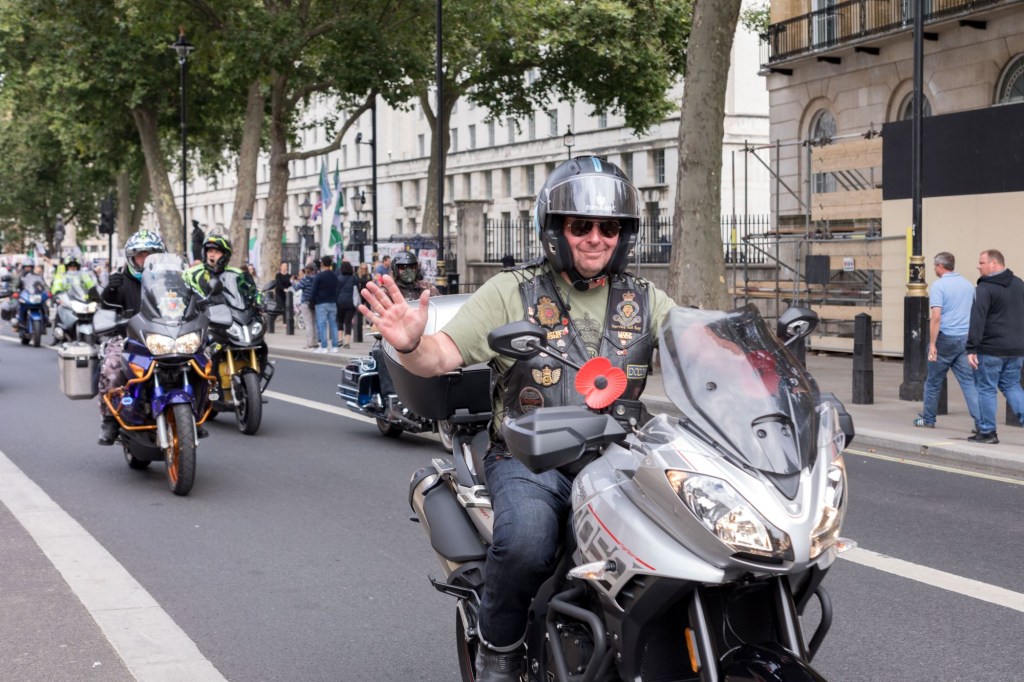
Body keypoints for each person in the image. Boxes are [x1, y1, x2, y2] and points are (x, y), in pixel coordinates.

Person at [359, 156, 676, 681]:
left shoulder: (646, 299)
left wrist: (757, 366)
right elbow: (441, 355)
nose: (596, 238)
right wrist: (411, 343)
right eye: (581, 226)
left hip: (620, 459)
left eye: (609, 227)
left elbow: (702, 347)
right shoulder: (511, 291)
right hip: (531, 458)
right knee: (527, 539)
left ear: (624, 236)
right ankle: (498, 652)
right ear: (555, 231)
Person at [96, 230, 166, 445]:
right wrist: (110, 290)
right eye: (141, 255)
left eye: (150, 255)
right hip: (128, 337)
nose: (145, 260)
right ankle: (109, 420)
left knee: (199, 358)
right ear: (132, 258)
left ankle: (196, 408)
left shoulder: (169, 280)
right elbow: (105, 305)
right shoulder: (122, 279)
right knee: (112, 368)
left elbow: (185, 302)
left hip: (163, 336)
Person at [913, 252, 980, 431]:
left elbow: (936, 317)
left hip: (945, 339)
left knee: (933, 382)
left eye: (935, 266)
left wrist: (933, 345)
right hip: (965, 340)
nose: (935, 269)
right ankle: (981, 423)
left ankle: (928, 419)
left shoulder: (939, 286)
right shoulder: (968, 285)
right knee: (968, 383)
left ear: (940, 267)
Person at [965, 249, 1024, 444]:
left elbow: (977, 319)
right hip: (1016, 348)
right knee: (1012, 386)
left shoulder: (984, 288)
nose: (978, 266)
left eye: (981, 262)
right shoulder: (1019, 284)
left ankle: (988, 432)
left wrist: (971, 348)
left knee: (986, 389)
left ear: (994, 264)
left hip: (990, 349)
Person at [183, 233, 262, 306]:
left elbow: (253, 292)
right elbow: (180, 292)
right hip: (201, 316)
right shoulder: (192, 273)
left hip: (233, 317)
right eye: (210, 251)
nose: (212, 255)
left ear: (225, 255)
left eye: (217, 252)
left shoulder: (237, 275)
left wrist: (263, 299)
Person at [310, 255, 340, 353]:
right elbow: (337, 289)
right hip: (332, 302)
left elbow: (313, 290)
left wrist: (312, 302)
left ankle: (323, 346)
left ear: (322, 264)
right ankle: (335, 346)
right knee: (333, 324)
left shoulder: (319, 276)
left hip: (321, 303)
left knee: (322, 325)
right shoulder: (334, 275)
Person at [335, 260, 358, 349]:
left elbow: (336, 292)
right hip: (350, 302)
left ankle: (340, 340)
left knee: (339, 321)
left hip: (340, 302)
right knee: (348, 322)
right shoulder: (354, 278)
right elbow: (356, 290)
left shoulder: (339, 279)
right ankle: (347, 342)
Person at [295, 265, 319, 348]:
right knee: (314, 323)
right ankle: (315, 341)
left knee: (308, 323)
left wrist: (293, 282)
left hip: (305, 302)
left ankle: (310, 342)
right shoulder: (316, 278)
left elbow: (296, 288)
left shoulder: (305, 279)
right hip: (314, 302)